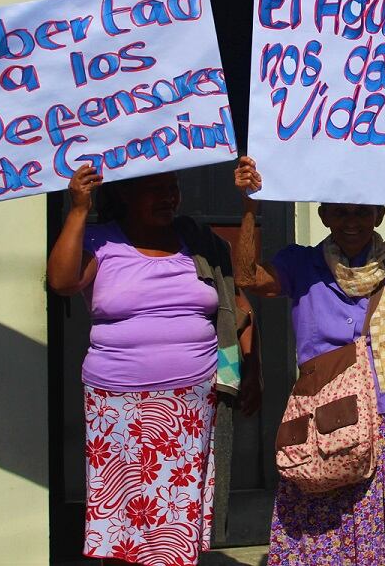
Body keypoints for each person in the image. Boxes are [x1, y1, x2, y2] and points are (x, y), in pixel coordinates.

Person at [233, 156, 385, 565]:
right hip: (324, 416)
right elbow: (248, 278)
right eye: (342, 211)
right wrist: (249, 208)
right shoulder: (301, 263)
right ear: (325, 214)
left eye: (362, 211)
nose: (352, 220)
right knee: (323, 524)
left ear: (379, 214)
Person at [47, 166, 260, 566]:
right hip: (117, 406)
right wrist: (78, 209)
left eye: (173, 188)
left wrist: (253, 370)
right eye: (155, 189)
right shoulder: (99, 241)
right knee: (123, 517)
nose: (169, 197)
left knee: (173, 519)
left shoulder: (199, 243)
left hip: (188, 405)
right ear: (126, 194)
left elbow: (240, 305)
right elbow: (61, 281)